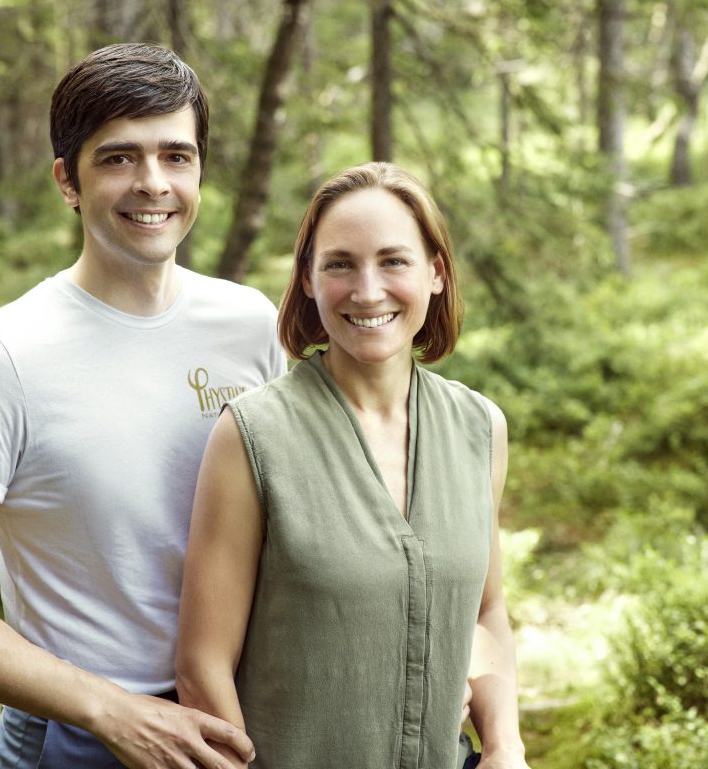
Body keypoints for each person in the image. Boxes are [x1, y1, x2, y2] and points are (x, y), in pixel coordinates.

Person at [0, 43, 285, 769]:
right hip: (85, 739)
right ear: (67, 179)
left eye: (176, 155)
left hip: (244, 719)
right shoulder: (2, 356)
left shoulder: (252, 323)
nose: (153, 183)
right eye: (119, 158)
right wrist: (108, 711)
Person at [175, 162, 532, 768]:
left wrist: (504, 746)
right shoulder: (253, 434)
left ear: (436, 274)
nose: (367, 290)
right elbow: (202, 665)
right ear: (309, 281)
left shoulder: (480, 428)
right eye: (340, 263)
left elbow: (485, 611)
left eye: (394, 261)